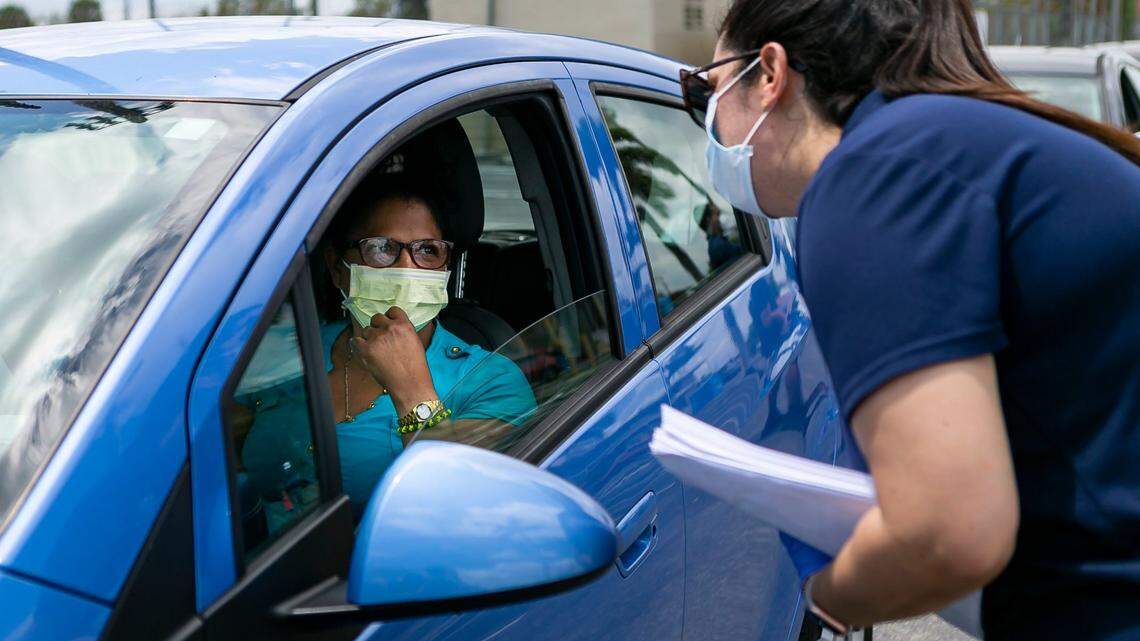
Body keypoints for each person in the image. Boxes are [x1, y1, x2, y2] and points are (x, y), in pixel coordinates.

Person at [680, 0, 1140, 638]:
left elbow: (948, 534)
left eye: (701, 89)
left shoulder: (873, 175)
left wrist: (830, 592)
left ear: (768, 74)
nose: (705, 118)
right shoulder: (941, 141)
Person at [240, 177, 536, 524]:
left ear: (445, 266)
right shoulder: (294, 349)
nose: (406, 269)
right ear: (338, 268)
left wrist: (412, 392)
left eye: (427, 250)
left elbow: (459, 512)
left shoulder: (491, 381)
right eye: (381, 248)